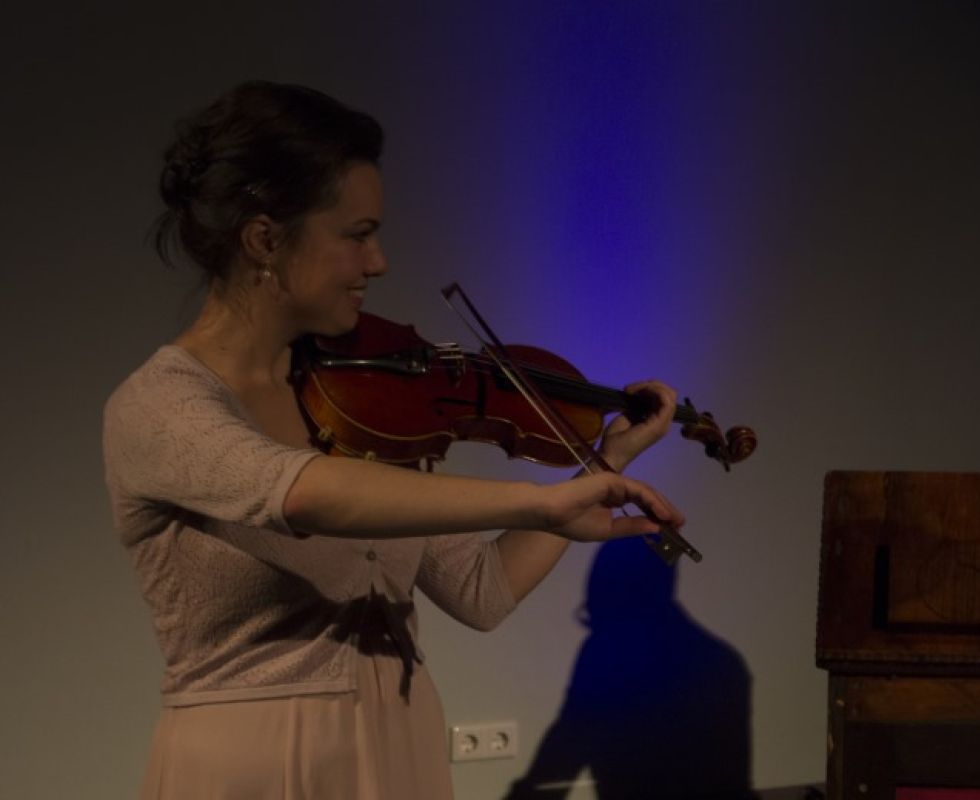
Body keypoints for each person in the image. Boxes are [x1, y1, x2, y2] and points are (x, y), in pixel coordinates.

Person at [102, 80, 686, 799]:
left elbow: (480, 592)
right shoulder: (161, 406)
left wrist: (602, 464)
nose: (377, 262)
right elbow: (306, 494)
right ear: (264, 239)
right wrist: (532, 503)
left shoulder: (361, 404)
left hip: (401, 744)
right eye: (356, 234)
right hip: (257, 763)